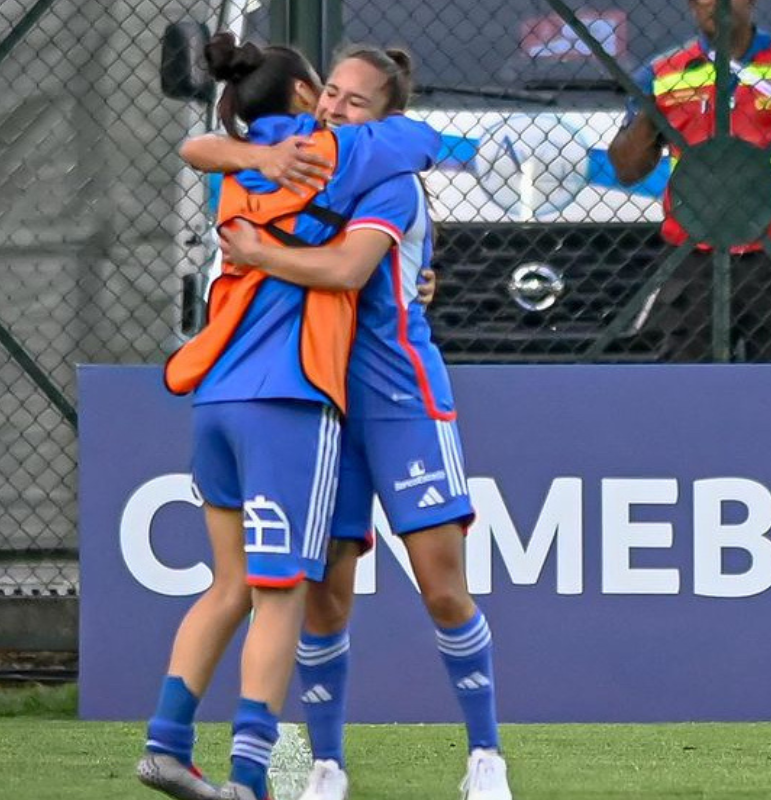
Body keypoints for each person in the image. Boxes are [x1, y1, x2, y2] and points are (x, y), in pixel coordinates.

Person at [137, 32, 440, 800]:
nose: (338, 103)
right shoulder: (336, 153)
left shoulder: (235, 170)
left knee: (227, 583)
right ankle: (249, 776)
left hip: (216, 395)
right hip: (290, 400)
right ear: (307, 97)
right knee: (282, 593)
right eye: (328, 90)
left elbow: (197, 146)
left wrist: (250, 155)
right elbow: (422, 138)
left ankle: (167, 744)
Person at [217, 45, 513, 800]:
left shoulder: (392, 184)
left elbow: (348, 271)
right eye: (332, 94)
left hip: (401, 400)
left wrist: (258, 253)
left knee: (442, 589)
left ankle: (486, 757)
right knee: (324, 597)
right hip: (318, 406)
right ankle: (326, 768)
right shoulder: (305, 169)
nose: (335, 108)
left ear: (385, 119)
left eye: (355, 101)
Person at [608, 0, 771, 362]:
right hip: (695, 258)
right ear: (692, 6)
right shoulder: (662, 74)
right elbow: (627, 169)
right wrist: (649, 117)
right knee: (689, 384)